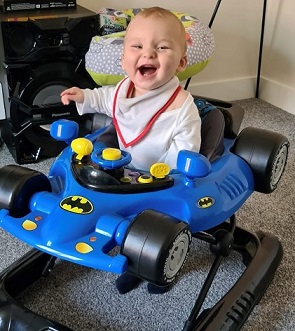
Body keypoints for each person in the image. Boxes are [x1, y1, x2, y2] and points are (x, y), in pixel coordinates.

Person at [61, 7, 201, 293]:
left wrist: (165, 170)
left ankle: (153, 268)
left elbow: (187, 148)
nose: (148, 54)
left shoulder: (182, 107)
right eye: (137, 46)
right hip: (124, 171)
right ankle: (130, 255)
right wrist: (84, 96)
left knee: (154, 226)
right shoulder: (123, 89)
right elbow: (103, 98)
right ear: (124, 60)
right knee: (111, 207)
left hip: (162, 179)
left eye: (162, 47)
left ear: (181, 62)